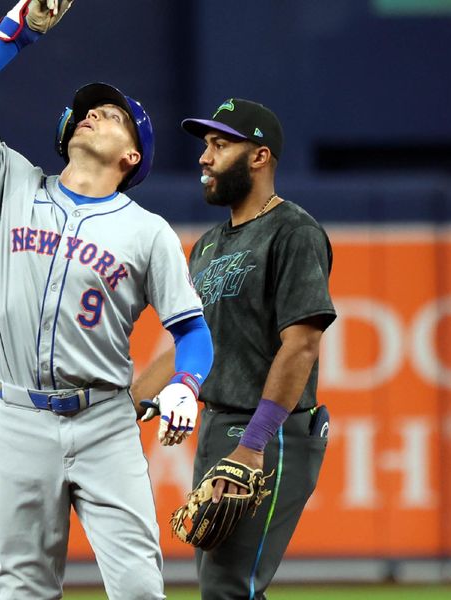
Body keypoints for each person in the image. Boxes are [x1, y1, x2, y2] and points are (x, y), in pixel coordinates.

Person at [0, 2, 213, 598]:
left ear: (134, 157)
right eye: (87, 112)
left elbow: (192, 330)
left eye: (113, 116)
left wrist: (186, 383)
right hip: (20, 418)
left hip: (106, 420)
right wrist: (14, 34)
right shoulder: (11, 182)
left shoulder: (147, 230)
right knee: (23, 590)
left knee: (139, 590)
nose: (94, 115)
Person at [133, 98, 336, 599]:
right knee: (226, 588)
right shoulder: (207, 246)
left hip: (270, 431)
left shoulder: (293, 231)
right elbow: (192, 344)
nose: (205, 157)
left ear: (259, 157)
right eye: (206, 144)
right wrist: (128, 400)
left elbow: (302, 344)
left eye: (220, 145)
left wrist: (254, 445)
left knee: (227, 588)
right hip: (220, 426)